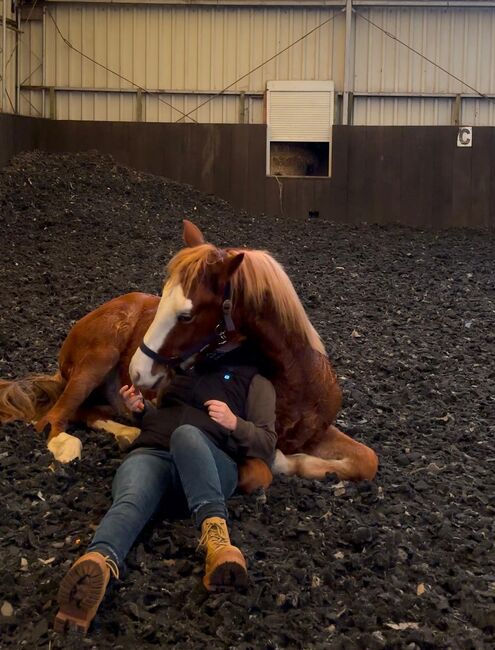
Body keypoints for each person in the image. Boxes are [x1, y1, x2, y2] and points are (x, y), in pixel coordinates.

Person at [53, 342, 277, 634]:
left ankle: (219, 545)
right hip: (153, 452)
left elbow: (267, 444)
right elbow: (163, 416)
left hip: (209, 467)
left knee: (186, 436)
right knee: (131, 497)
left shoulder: (256, 381)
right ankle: (98, 563)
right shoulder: (185, 366)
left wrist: (235, 423)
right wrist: (141, 410)